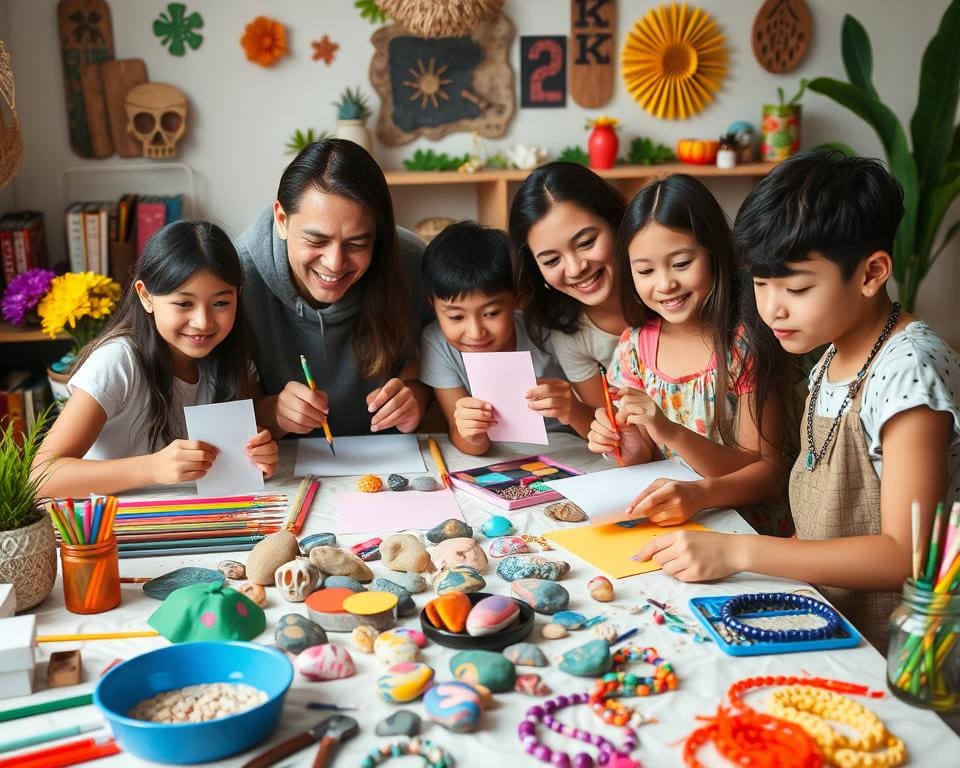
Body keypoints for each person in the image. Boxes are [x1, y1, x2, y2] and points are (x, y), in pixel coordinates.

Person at [637, 152, 960, 650]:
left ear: (872, 273)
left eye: (798, 287)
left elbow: (906, 554)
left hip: (908, 652)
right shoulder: (832, 351)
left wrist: (739, 553)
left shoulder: (907, 371)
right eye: (762, 285)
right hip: (834, 621)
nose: (772, 308)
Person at [587, 174, 791, 535]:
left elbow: (768, 477)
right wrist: (623, 443)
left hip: (746, 531)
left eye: (681, 264)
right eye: (645, 270)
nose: (665, 284)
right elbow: (643, 455)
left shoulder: (745, 346)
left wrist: (672, 434)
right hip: (675, 523)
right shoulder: (634, 347)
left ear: (714, 254)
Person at [34, 220, 279, 497]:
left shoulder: (230, 355)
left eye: (221, 303)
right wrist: (152, 468)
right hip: (112, 527)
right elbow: (41, 476)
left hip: (196, 520)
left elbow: (248, 441)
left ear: (239, 295)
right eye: (184, 304)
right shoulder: (117, 361)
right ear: (146, 296)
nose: (203, 322)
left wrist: (258, 454)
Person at [235, 139, 428, 438]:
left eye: (357, 243)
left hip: (391, 458)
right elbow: (223, 407)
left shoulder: (412, 262)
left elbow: (445, 360)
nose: (335, 263)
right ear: (282, 219)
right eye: (316, 240)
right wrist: (273, 412)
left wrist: (417, 397)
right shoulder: (235, 278)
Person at [419, 220, 577, 456]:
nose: (475, 332)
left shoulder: (546, 332)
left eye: (491, 313)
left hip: (566, 448)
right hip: (497, 456)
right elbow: (466, 439)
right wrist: (471, 431)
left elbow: (595, 421)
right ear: (433, 306)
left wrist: (572, 407)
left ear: (517, 299)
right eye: (455, 317)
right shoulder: (438, 343)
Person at [509, 162, 627, 434]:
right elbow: (613, 429)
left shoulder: (668, 294)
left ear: (615, 221)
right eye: (551, 260)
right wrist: (572, 411)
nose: (575, 269)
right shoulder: (569, 331)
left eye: (586, 243)